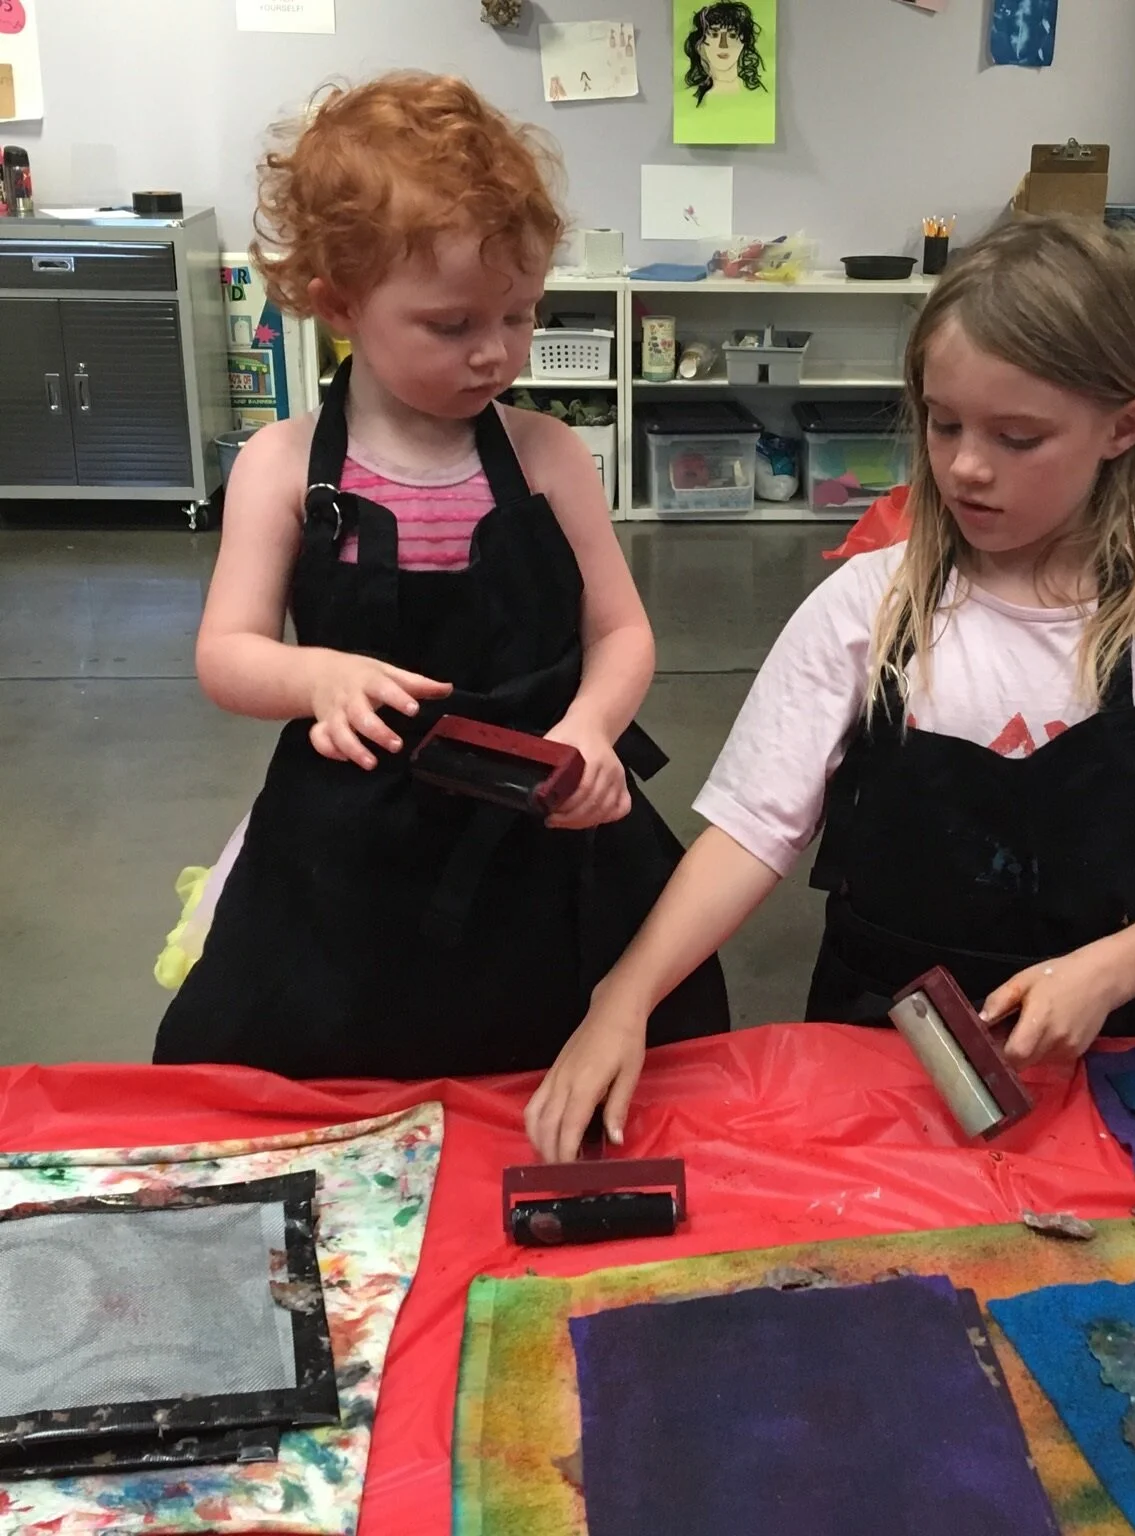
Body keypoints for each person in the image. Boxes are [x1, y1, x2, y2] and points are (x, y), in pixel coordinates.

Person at [525, 216, 1135, 1162]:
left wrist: (1101, 974)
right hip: (873, 1044)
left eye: (1017, 436)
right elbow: (754, 828)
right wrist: (623, 997)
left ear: (1123, 427)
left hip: (1095, 1056)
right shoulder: (864, 609)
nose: (962, 464)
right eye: (943, 421)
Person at [155, 73, 727, 1080]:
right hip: (355, 844)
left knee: (574, 1063)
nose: (496, 352)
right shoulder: (284, 467)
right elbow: (228, 655)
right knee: (312, 1065)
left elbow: (621, 633)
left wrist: (590, 732)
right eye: (452, 325)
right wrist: (316, 677)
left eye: (519, 314)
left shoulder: (548, 454)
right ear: (340, 304)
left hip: (547, 824)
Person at [682, 3, 766, 106]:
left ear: (743, 43)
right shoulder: (688, 99)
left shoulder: (759, 95)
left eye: (732, 35)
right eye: (714, 34)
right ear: (700, 44)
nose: (723, 45)